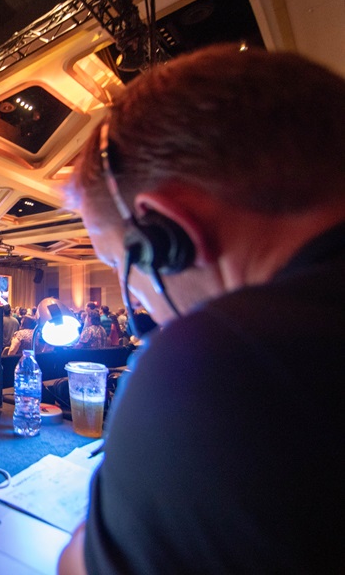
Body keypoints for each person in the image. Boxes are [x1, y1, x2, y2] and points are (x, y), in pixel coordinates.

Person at [58, 45, 345, 574]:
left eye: (131, 282)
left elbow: (76, 566)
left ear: (169, 234)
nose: (145, 311)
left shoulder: (221, 363)